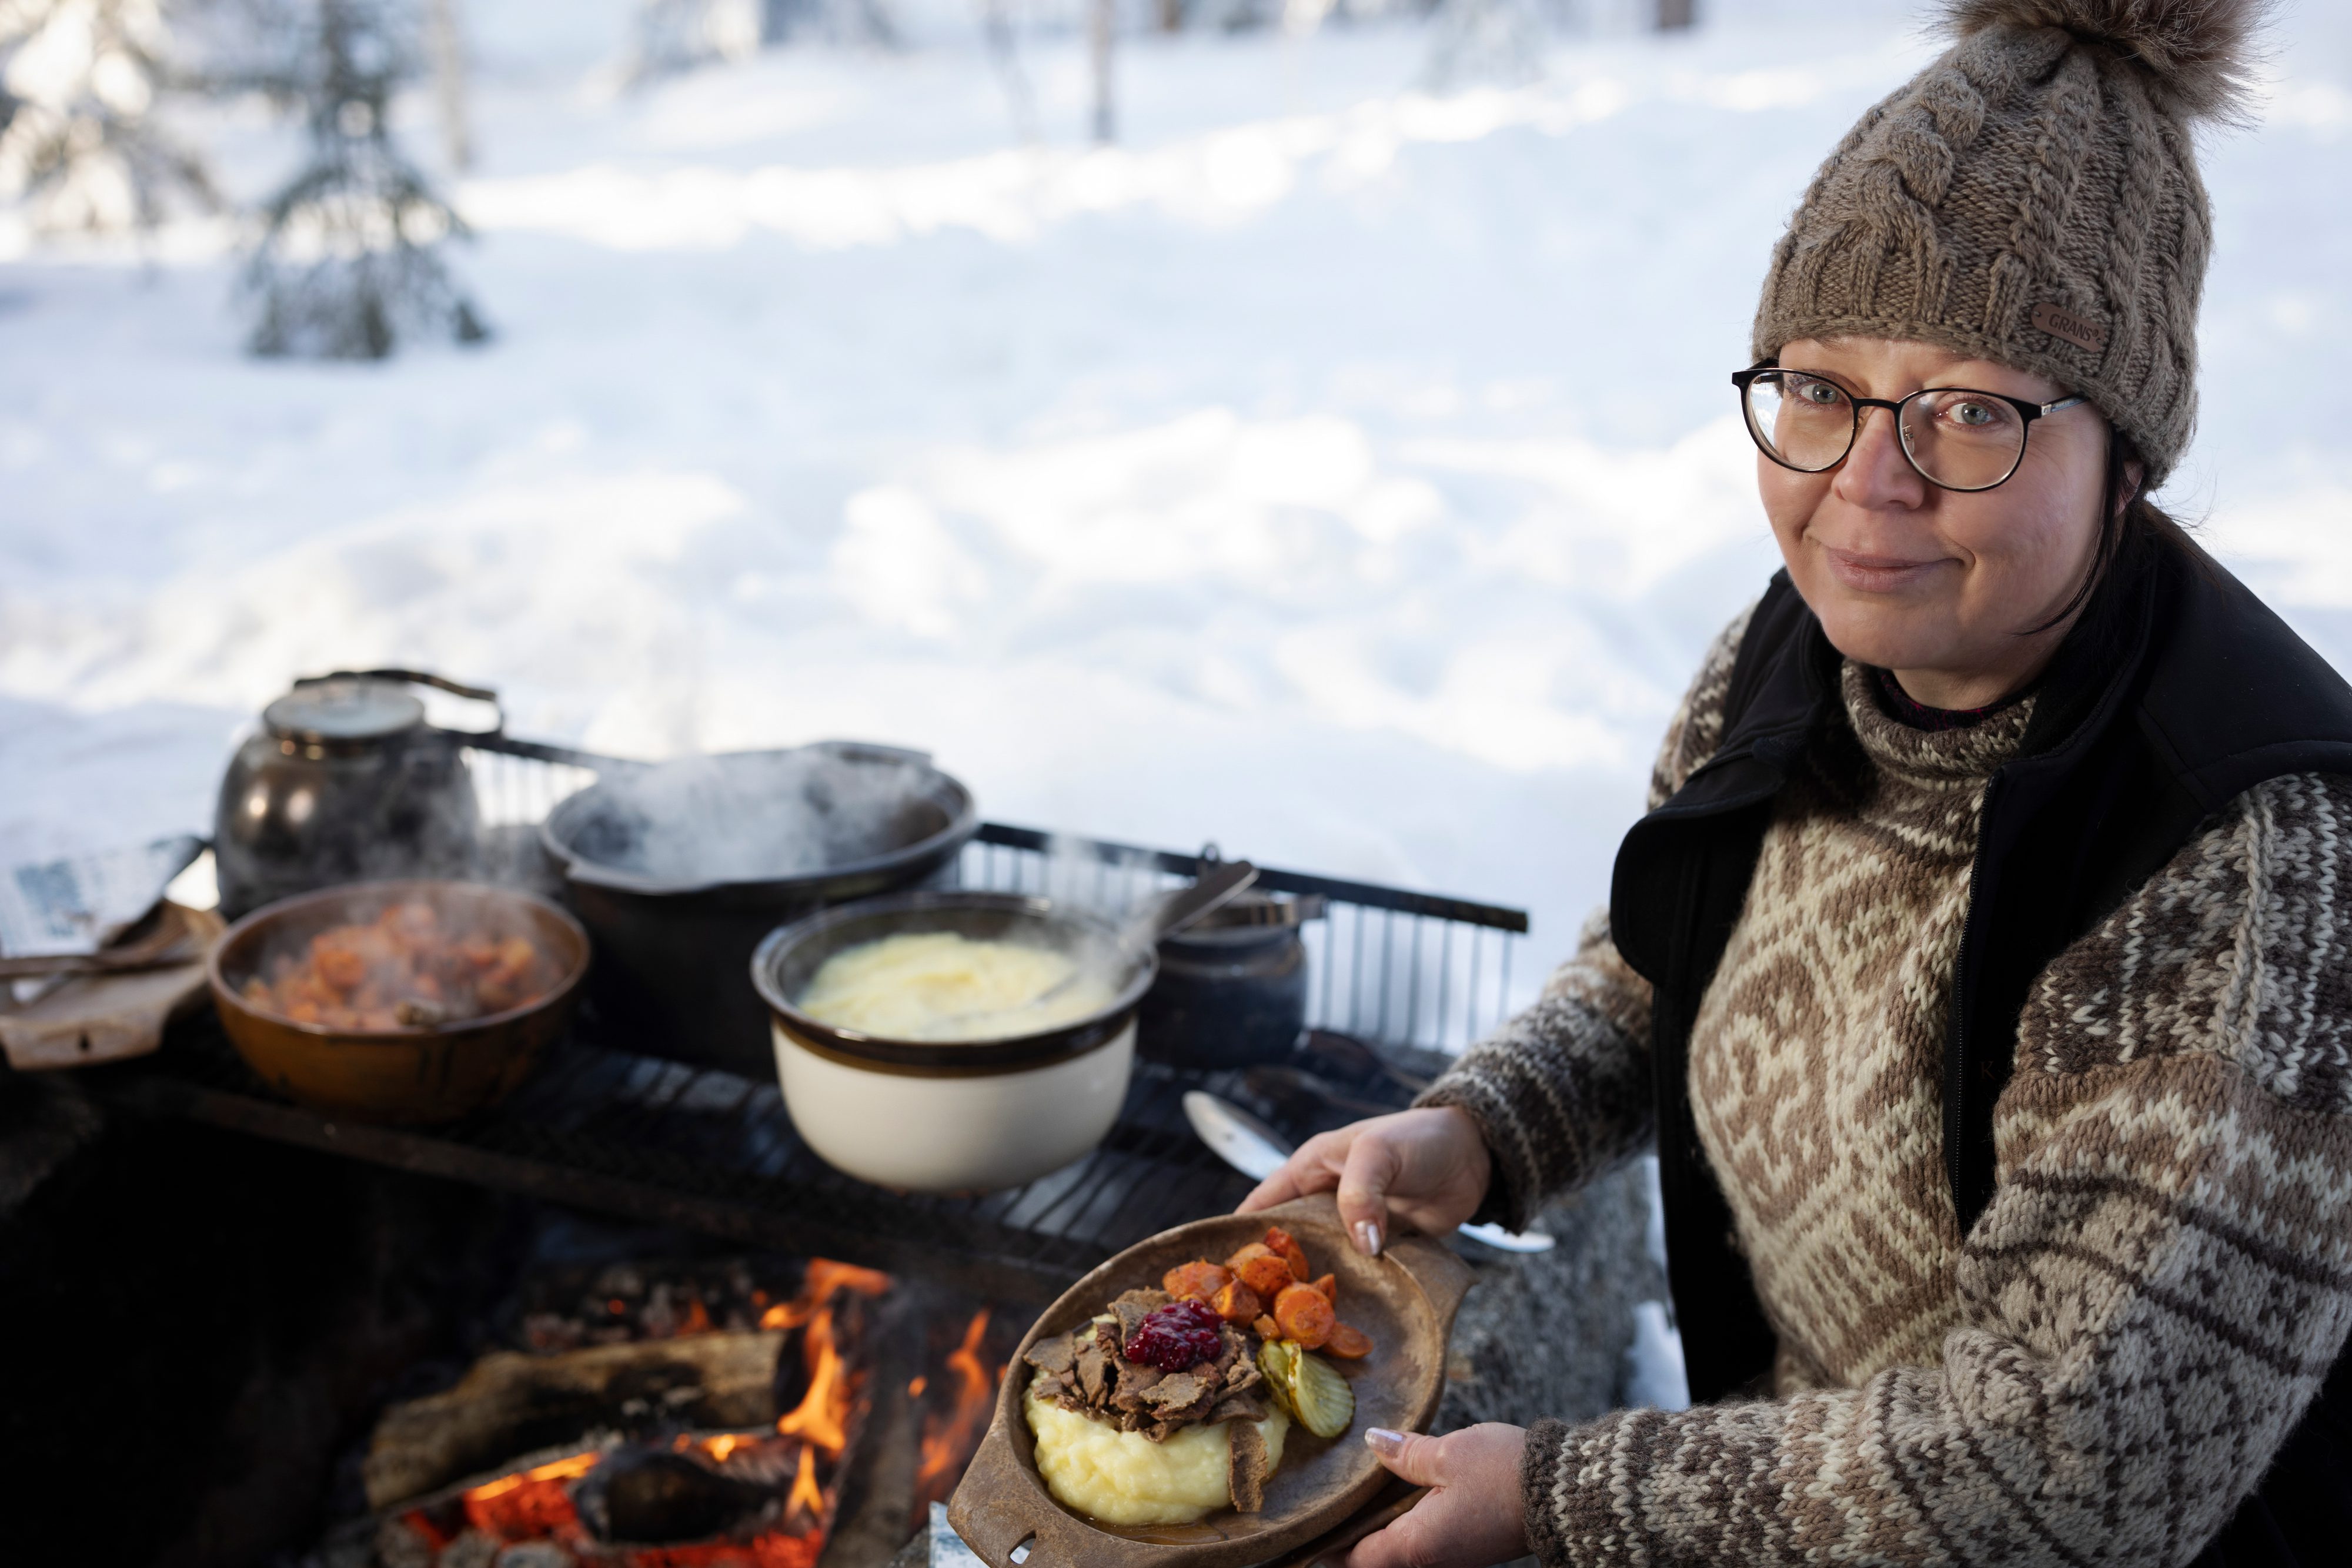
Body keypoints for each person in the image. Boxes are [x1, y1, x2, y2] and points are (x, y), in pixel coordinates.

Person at [1241, 2, 2352, 1564]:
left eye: (1972, 410)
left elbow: (2080, 1462)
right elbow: (1668, 960)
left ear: (2130, 451)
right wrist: (1490, 1125)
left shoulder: (2243, 852)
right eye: (1820, 387)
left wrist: (1569, 1501)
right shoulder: (1799, 646)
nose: (1865, 484)